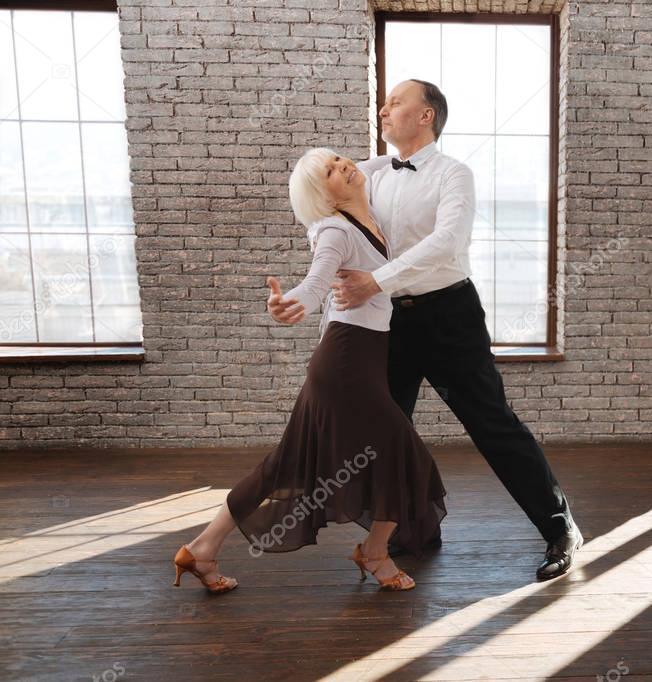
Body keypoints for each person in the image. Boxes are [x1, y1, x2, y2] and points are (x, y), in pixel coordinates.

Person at [332, 79, 583, 581]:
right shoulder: (371, 173)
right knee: (387, 430)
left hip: (449, 316)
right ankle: (405, 531)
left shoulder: (455, 175)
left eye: (396, 102)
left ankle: (561, 529)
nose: (384, 110)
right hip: (389, 319)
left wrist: (374, 280)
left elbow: (447, 242)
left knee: (492, 423)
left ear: (426, 116)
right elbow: (328, 213)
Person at [172, 149, 446, 594]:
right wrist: (292, 301)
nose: (344, 166)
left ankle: (201, 549)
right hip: (346, 363)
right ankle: (375, 554)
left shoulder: (364, 208)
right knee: (405, 453)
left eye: (339, 159)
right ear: (326, 195)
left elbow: (380, 163)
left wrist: (403, 143)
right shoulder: (336, 230)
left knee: (284, 465)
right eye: (331, 171)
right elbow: (317, 281)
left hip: (363, 358)